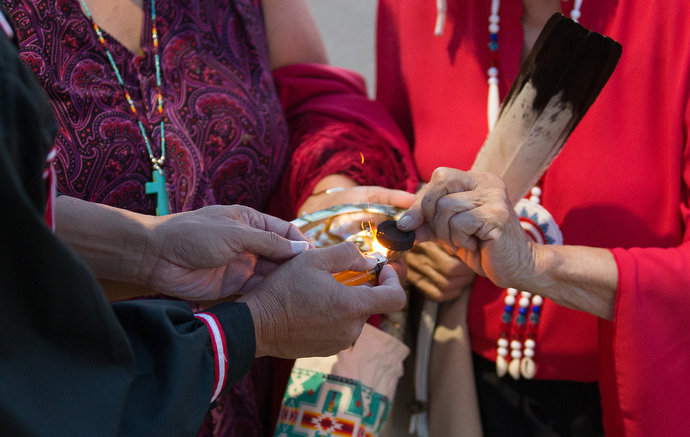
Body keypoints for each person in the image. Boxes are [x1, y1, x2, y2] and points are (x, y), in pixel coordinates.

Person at [3, 0, 418, 435]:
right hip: (81, 399)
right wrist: (254, 321)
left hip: (247, 396)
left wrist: (329, 195)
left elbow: (316, 100)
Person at [376, 0, 690, 436]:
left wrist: (536, 267)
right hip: (461, 387)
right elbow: (388, 156)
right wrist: (412, 244)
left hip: (638, 396)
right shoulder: (414, 9)